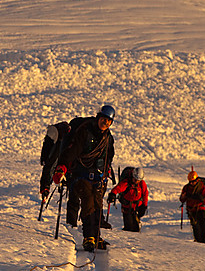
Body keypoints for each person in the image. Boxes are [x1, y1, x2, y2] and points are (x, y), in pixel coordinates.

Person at [53, 105, 115, 251]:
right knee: (88, 200)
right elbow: (72, 151)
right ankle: (89, 237)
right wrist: (62, 167)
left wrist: (106, 172)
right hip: (80, 174)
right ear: (98, 117)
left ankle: (96, 236)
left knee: (98, 205)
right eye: (103, 119)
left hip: (98, 177)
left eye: (108, 121)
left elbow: (109, 156)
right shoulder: (85, 132)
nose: (105, 123)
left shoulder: (108, 138)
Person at [108, 167, 148, 232]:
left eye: (138, 180)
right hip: (127, 208)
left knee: (136, 228)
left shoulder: (142, 184)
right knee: (129, 227)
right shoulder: (126, 182)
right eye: (135, 179)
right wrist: (113, 194)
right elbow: (118, 188)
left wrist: (144, 206)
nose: (136, 181)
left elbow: (145, 194)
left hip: (137, 208)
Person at [180, 168, 205, 244]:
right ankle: (198, 242)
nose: (192, 183)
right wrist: (184, 197)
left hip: (200, 209)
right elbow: (182, 199)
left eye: (193, 182)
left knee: (202, 226)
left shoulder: (202, 187)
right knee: (195, 227)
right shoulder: (186, 188)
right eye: (190, 182)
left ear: (197, 180)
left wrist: (201, 198)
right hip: (191, 210)